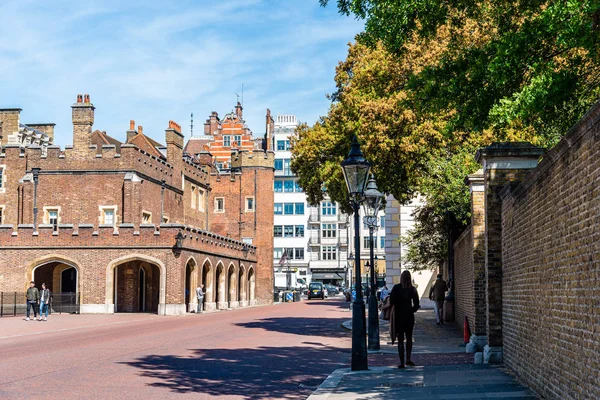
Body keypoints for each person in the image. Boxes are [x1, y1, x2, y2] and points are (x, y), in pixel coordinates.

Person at [390, 270, 420, 369]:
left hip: (398, 316)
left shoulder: (396, 288)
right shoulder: (412, 289)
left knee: (400, 339)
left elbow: (391, 301)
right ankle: (408, 359)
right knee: (409, 338)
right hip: (409, 316)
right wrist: (411, 310)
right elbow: (416, 304)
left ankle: (401, 362)